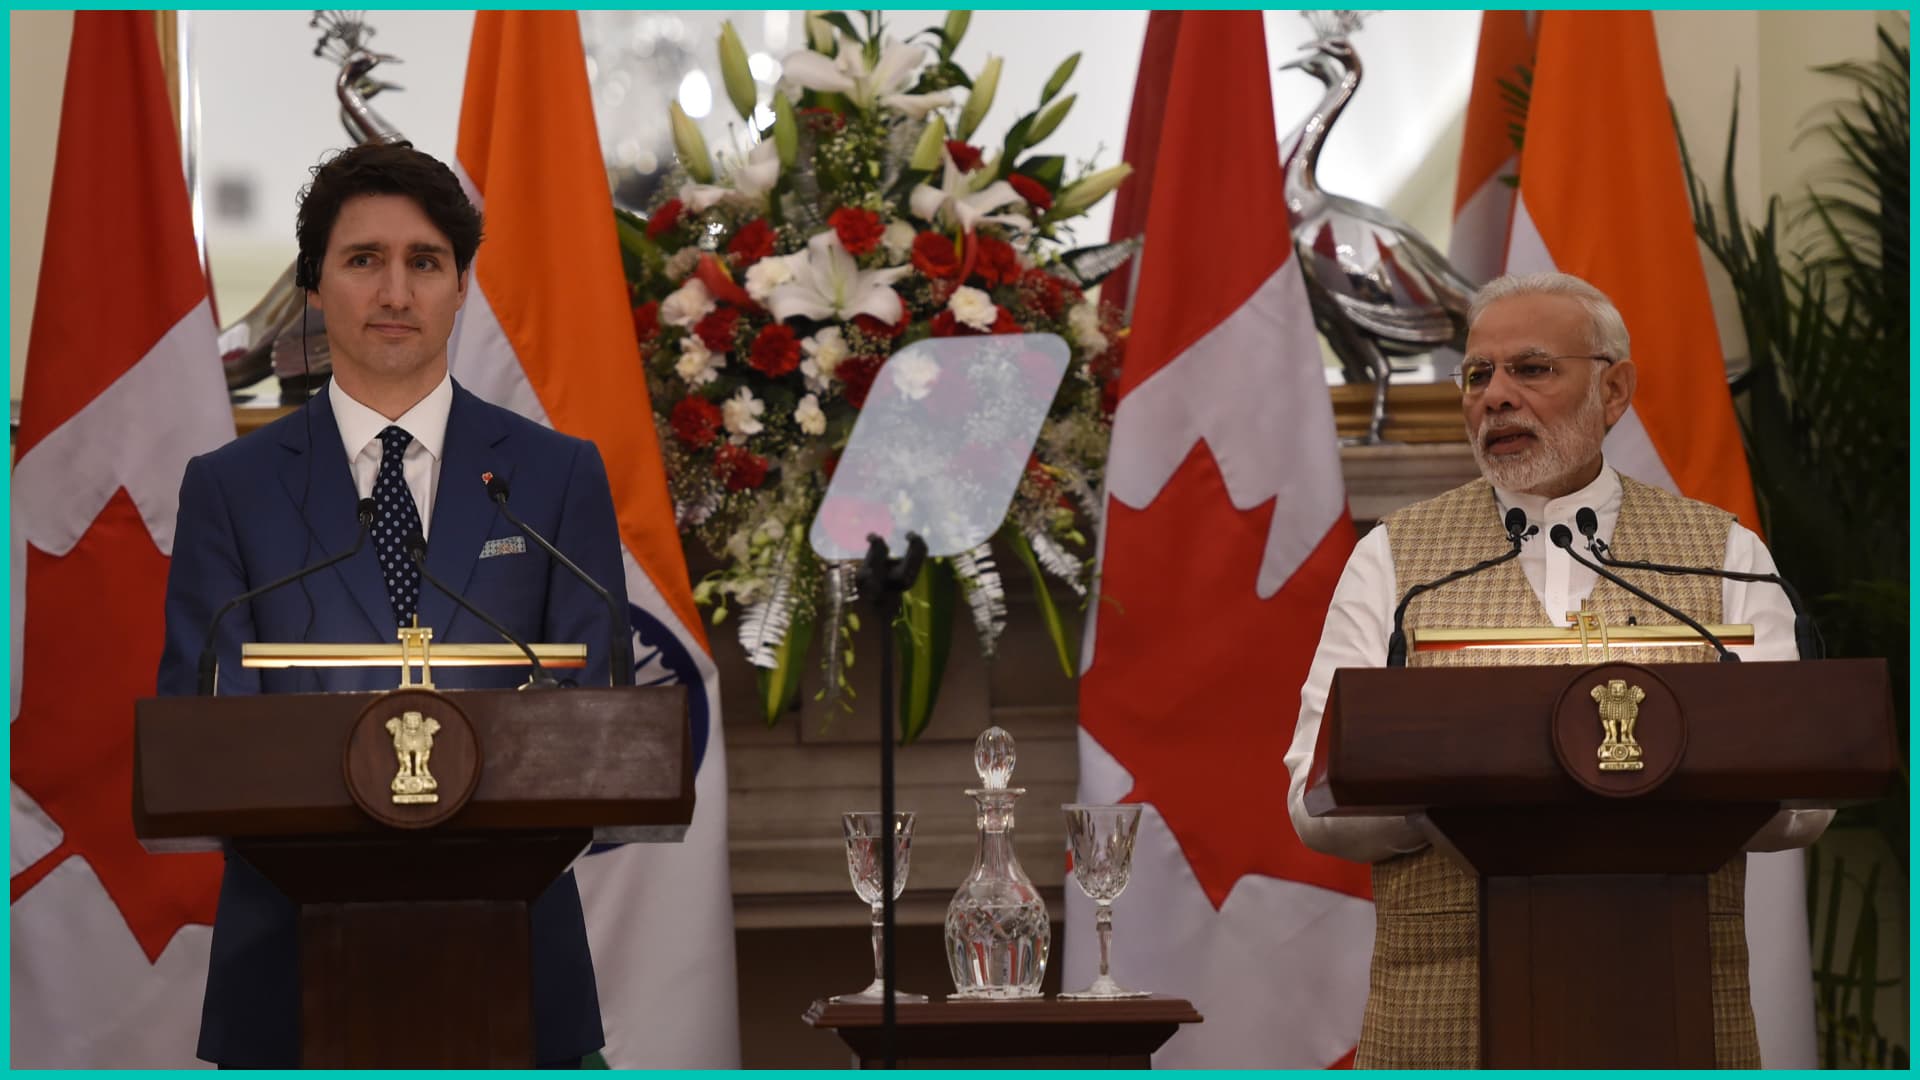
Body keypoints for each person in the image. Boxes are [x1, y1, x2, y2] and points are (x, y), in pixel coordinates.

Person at [1282, 271, 1831, 1069]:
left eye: (1531, 369)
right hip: (1444, 1011)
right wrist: (1455, 799)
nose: (1495, 396)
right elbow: (1310, 799)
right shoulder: (1395, 563)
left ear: (1613, 391)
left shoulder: (1727, 556)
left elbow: (1804, 800)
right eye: (1478, 375)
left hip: (1668, 1001)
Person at [157, 141, 624, 1068]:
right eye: (363, 260)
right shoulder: (230, 489)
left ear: (460, 288)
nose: (396, 292)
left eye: (425, 262)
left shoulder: (555, 476)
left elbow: (595, 714)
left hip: (517, 965)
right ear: (315, 288)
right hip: (289, 970)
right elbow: (201, 721)